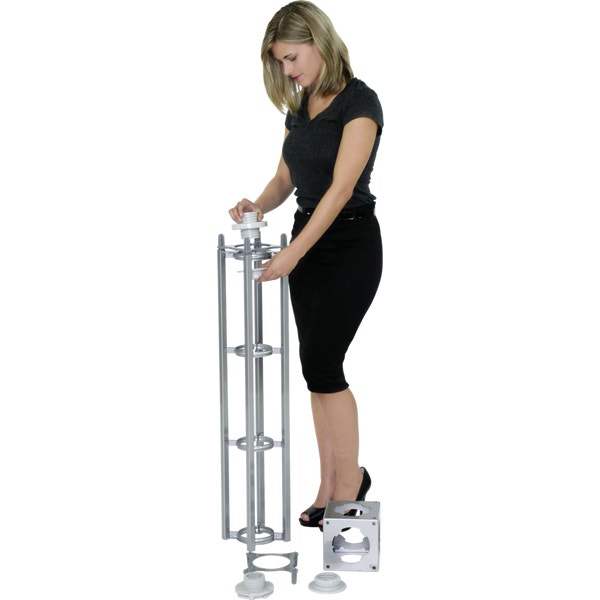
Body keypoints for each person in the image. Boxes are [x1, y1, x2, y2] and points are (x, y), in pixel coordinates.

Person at [229, 1, 383, 530]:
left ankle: (351, 482)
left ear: (318, 41)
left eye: (292, 57)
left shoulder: (360, 103)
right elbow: (285, 179)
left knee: (325, 366)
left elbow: (340, 190)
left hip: (349, 246)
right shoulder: (301, 105)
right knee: (315, 371)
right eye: (280, 62)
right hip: (307, 242)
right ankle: (329, 482)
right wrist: (256, 205)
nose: (288, 70)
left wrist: (293, 253)